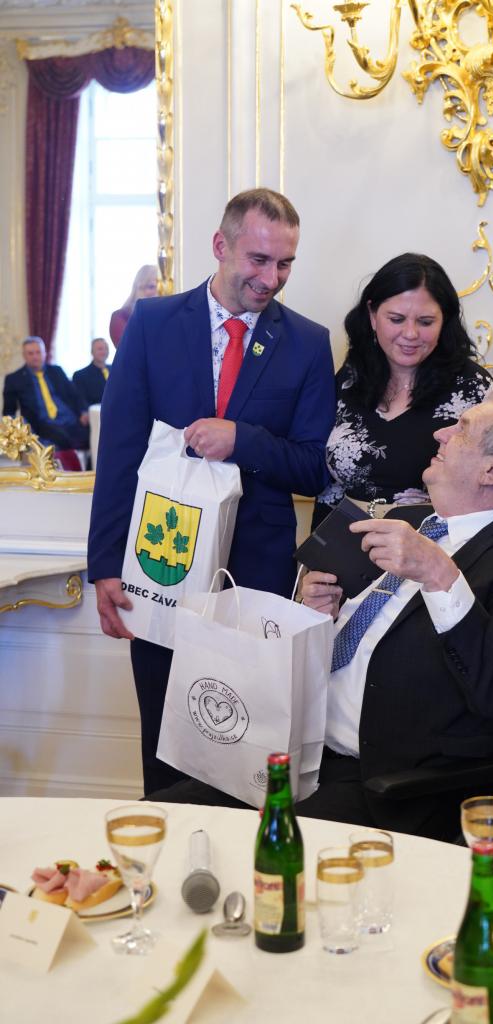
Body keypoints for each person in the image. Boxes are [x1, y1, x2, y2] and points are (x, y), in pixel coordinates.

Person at [151, 395, 493, 843]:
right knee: (158, 821)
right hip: (293, 752)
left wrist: (438, 574)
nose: (440, 433)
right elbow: (366, 639)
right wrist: (319, 616)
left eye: (463, 429)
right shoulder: (409, 520)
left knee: (250, 848)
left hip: (389, 782)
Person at [88, 187, 336, 794]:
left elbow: (314, 468)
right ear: (220, 245)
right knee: (164, 748)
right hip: (158, 565)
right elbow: (118, 454)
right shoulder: (151, 324)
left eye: (285, 264)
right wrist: (105, 566)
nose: (271, 278)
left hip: (255, 580)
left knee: (243, 754)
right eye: (259, 260)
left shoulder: (308, 343)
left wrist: (243, 440)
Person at [312, 252, 493, 528]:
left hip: (430, 545)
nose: (410, 334)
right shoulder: (350, 377)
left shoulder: (474, 389)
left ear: (444, 320)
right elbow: (323, 478)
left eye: (425, 322)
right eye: (396, 319)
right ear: (373, 315)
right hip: (340, 540)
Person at [2, 336, 89, 450]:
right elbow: (9, 413)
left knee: (95, 433)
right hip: (42, 424)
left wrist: (83, 412)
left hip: (69, 419)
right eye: (30, 353)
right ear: (24, 355)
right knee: (62, 438)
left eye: (38, 352)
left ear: (44, 353)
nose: (35, 357)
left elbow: (75, 395)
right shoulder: (14, 379)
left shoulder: (57, 371)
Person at [109, 264, 158, 347]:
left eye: (156, 287)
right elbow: (128, 348)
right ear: (137, 288)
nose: (156, 292)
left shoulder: (166, 315)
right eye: (151, 286)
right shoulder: (120, 316)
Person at [72, 337, 111, 407]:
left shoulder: (115, 370)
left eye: (106, 348)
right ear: (92, 352)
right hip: (96, 411)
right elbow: (81, 402)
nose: (104, 352)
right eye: (100, 349)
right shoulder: (80, 375)